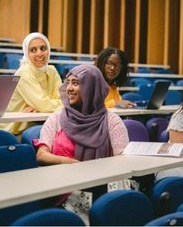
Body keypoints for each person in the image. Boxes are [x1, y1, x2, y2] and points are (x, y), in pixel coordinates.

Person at [36, 65, 129, 218]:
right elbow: (41, 155)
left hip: (101, 187)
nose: (69, 88)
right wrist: (69, 163)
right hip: (63, 189)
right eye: (68, 82)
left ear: (92, 88)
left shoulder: (111, 121)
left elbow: (122, 161)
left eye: (76, 83)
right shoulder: (57, 118)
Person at [0, 32, 63, 136]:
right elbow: (44, 104)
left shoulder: (52, 70)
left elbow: (63, 100)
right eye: (33, 50)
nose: (39, 53)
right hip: (11, 133)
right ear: (26, 53)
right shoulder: (24, 72)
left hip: (36, 126)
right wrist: (44, 107)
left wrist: (40, 108)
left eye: (43, 48)